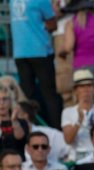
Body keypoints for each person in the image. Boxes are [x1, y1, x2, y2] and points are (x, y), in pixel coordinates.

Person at [10, 0, 63, 129]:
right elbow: (52, 25)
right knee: (50, 95)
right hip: (40, 51)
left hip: (20, 53)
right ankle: (56, 129)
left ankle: (32, 128)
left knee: (28, 95)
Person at [61, 69, 94, 161]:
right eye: (82, 86)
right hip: (78, 157)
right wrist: (79, 121)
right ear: (76, 90)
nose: (86, 89)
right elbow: (68, 140)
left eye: (89, 86)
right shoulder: (68, 112)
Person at [0, 84, 29, 160]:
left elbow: (21, 140)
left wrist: (14, 121)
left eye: (5, 99)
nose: (1, 103)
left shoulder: (21, 122)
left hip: (18, 163)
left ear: (10, 101)